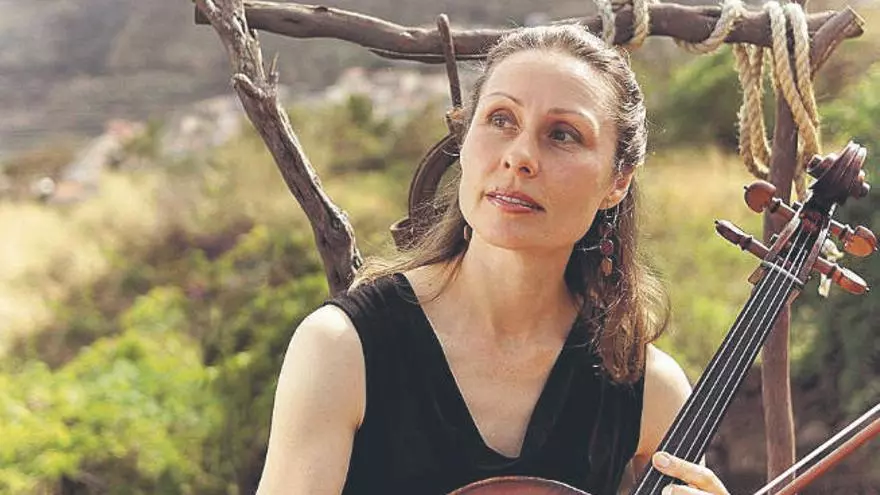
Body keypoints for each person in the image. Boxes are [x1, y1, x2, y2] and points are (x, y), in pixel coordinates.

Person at [256, 25, 731, 495]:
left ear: (618, 181)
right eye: (501, 120)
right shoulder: (341, 349)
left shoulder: (650, 389)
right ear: (465, 141)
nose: (520, 157)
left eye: (562, 135)